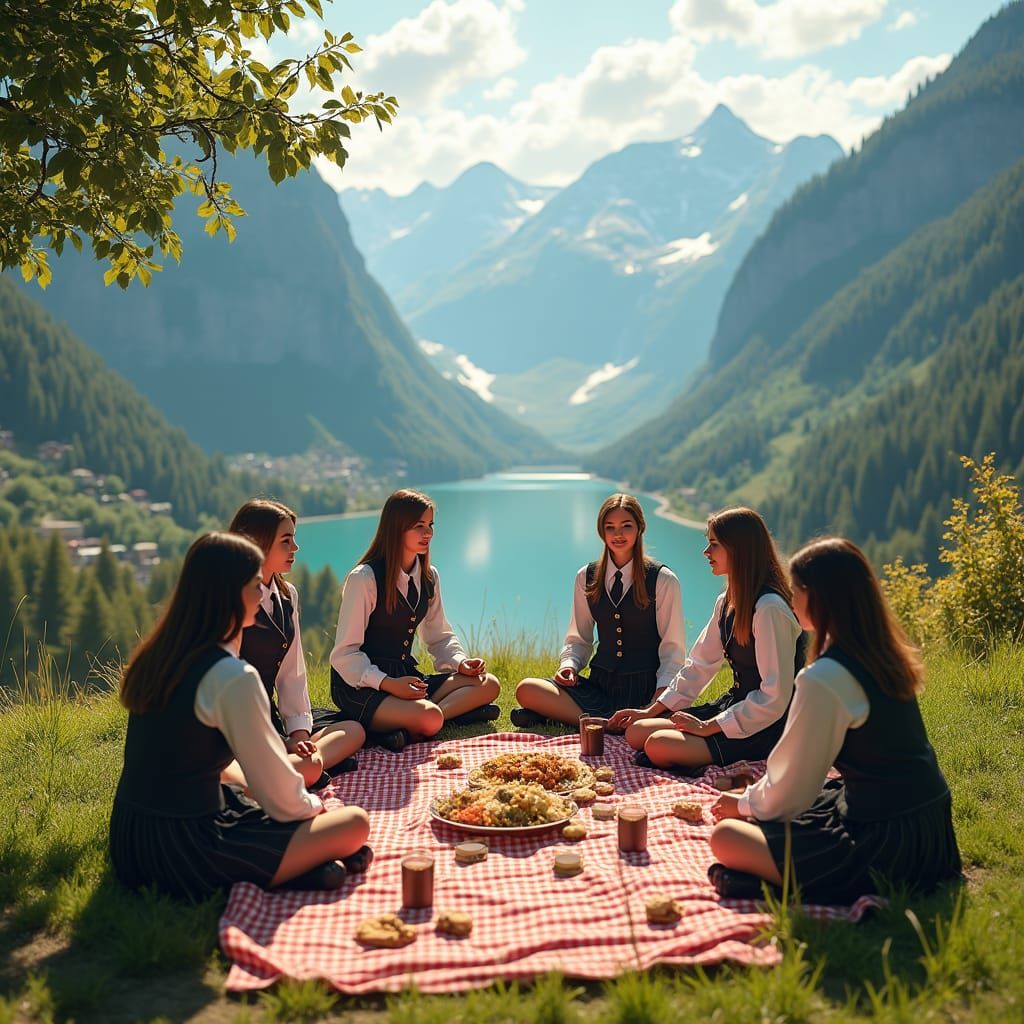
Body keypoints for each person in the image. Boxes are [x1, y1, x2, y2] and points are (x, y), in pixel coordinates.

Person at [109, 533, 370, 901]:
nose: (261, 594)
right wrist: (315, 809)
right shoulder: (231, 676)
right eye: (254, 585)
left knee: (236, 784)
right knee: (353, 825)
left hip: (132, 839)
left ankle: (311, 866)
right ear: (229, 593)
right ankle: (300, 866)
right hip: (186, 849)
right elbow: (280, 795)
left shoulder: (162, 655)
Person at [706, 537, 961, 903]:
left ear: (818, 597)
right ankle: (769, 879)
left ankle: (778, 885)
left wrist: (742, 804)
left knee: (726, 838)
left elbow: (792, 786)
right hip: (929, 828)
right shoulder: (882, 655)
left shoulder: (823, 678)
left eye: (796, 590)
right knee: (823, 797)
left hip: (885, 843)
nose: (790, 600)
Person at [609, 507, 802, 772]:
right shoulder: (726, 602)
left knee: (656, 745)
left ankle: (688, 756)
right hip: (732, 708)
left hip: (765, 724)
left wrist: (708, 727)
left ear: (739, 550)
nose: (706, 553)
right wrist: (650, 711)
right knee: (637, 731)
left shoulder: (770, 608)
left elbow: (775, 698)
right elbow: (699, 665)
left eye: (714, 545)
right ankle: (683, 753)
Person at [329, 489, 501, 751]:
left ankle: (414, 722)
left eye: (430, 525)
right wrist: (388, 684)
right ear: (396, 528)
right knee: (429, 716)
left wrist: (461, 663)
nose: (428, 533)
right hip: (361, 685)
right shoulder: (364, 578)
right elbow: (345, 655)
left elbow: (439, 637)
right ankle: (429, 718)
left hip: (405, 678)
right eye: (419, 526)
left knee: (488, 684)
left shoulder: (429, 577)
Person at [511, 493, 686, 727]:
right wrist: (569, 667)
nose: (618, 534)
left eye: (626, 526)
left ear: (640, 528)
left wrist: (659, 700)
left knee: (660, 719)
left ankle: (572, 719)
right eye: (610, 527)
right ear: (601, 531)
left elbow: (673, 651)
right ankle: (606, 723)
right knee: (527, 689)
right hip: (599, 687)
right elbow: (579, 639)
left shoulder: (663, 580)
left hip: (645, 690)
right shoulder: (586, 576)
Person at [227, 499, 364, 789]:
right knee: (312, 761)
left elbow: (292, 674)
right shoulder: (231, 601)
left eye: (294, 539)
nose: (295, 548)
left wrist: (299, 734)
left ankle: (300, 767)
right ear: (257, 543)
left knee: (354, 730)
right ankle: (300, 770)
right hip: (241, 726)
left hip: (273, 719)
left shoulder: (287, 595)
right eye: (286, 541)